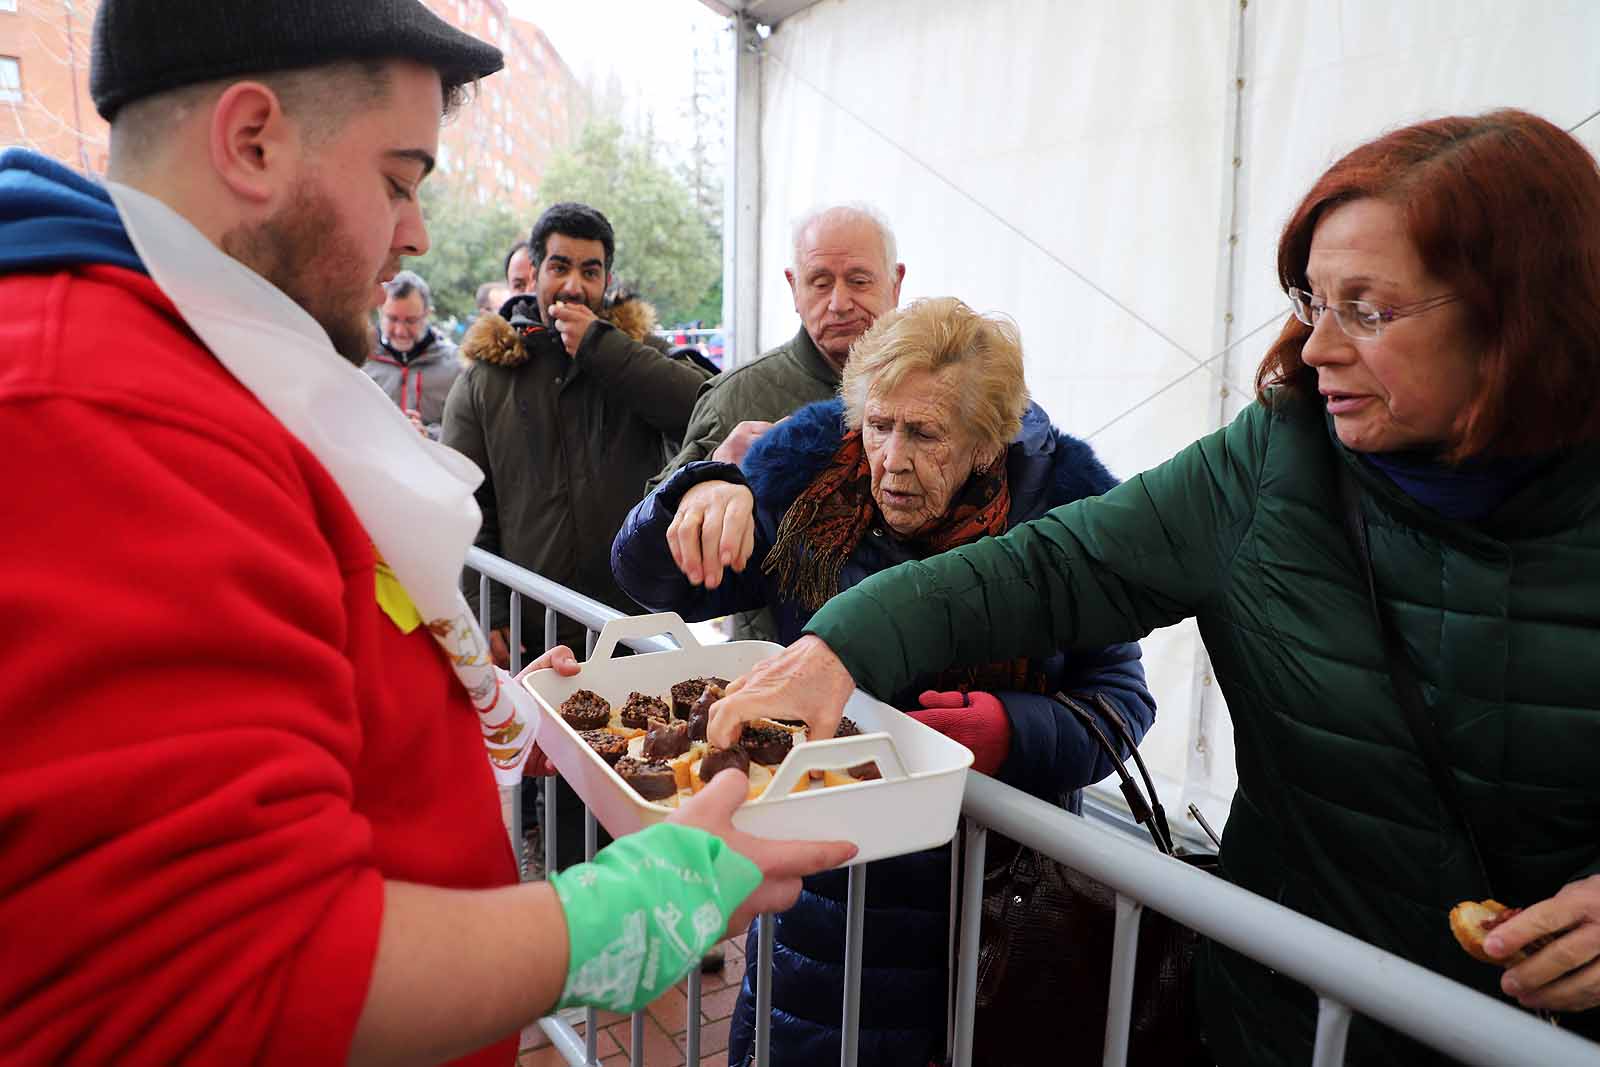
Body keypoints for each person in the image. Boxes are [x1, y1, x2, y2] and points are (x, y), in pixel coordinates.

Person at [0, 4, 853, 1065]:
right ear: (253, 140)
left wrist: (483, 712)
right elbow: (247, 973)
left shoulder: (190, 363)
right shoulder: (96, 413)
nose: (415, 235)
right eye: (399, 179)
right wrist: (629, 909)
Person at [704, 110, 1600, 1065]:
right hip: (1278, 1016)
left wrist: (1017, 729)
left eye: (1368, 310)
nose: (1314, 345)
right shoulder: (1274, 460)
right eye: (1313, 300)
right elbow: (1057, 566)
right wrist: (833, 644)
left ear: (1522, 308)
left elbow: (1112, 692)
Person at [614, 297, 1155, 1066]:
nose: (891, 459)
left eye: (925, 433)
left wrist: (1015, 729)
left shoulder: (1067, 521)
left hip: (992, 908)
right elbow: (650, 576)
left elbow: (1121, 702)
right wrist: (700, 489)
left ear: (985, 441)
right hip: (828, 903)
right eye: (878, 425)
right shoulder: (813, 488)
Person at [443, 202, 713, 668]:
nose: (574, 285)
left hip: (632, 623)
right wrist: (485, 609)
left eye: (591, 271)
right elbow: (463, 500)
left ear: (607, 280)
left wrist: (603, 349)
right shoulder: (487, 377)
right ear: (534, 272)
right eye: (560, 267)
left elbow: (706, 409)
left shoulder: (636, 355)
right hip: (532, 632)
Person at [650, 202, 905, 642]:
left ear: (896, 282)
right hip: (778, 678)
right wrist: (708, 474)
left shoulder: (936, 386)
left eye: (859, 281)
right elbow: (654, 559)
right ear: (793, 287)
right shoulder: (738, 397)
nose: (839, 302)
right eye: (819, 283)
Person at [362, 269, 460, 437]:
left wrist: (428, 435)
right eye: (392, 319)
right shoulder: (360, 360)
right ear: (380, 312)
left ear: (427, 314)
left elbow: (467, 430)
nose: (400, 331)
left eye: (411, 321)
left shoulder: (455, 365)